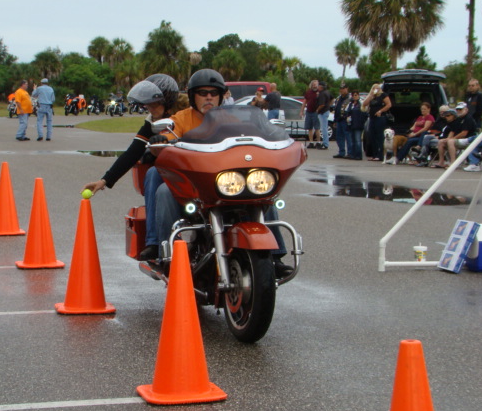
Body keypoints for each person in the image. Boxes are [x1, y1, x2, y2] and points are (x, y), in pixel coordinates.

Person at [152, 69, 292, 276]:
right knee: (164, 191)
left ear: (220, 96)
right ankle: (167, 254)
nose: (208, 97)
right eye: (202, 93)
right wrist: (162, 140)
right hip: (198, 187)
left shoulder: (232, 118)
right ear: (193, 96)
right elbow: (166, 135)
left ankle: (275, 257)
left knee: (264, 195)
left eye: (213, 93)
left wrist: (273, 136)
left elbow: (254, 134)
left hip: (228, 182)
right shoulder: (180, 119)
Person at [80, 74, 181, 261]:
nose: (149, 108)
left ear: (167, 101)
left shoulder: (186, 116)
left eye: (154, 104)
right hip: (171, 174)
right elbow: (132, 153)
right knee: (152, 173)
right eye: (147, 104)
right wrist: (105, 180)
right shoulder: (153, 122)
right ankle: (154, 243)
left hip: (194, 171)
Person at [434, 102, 477, 167]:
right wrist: (447, 138)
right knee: (441, 142)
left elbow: (464, 133)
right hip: (458, 139)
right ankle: (441, 162)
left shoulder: (468, 119)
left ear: (466, 109)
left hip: (468, 139)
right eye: (457, 109)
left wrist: (451, 139)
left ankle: (453, 163)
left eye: (461, 109)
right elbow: (453, 131)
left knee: (450, 142)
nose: (459, 111)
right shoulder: (458, 119)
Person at [362, 83, 392, 161]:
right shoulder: (372, 96)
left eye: (377, 88)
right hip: (372, 118)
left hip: (380, 118)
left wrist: (381, 111)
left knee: (380, 136)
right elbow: (364, 104)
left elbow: (389, 104)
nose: (376, 90)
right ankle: (374, 154)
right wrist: (370, 95)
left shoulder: (383, 95)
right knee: (372, 136)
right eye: (374, 88)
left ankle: (381, 155)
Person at [332, 82, 351, 158]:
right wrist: (335, 120)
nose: (342, 90)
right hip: (339, 120)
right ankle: (341, 152)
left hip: (345, 120)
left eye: (344, 88)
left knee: (348, 137)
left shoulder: (350, 98)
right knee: (339, 137)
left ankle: (350, 153)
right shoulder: (338, 98)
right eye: (341, 89)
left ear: (347, 89)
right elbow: (336, 109)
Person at [345, 90, 366, 160]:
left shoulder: (361, 104)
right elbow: (346, 112)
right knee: (352, 141)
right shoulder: (350, 104)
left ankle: (358, 155)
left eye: (356, 95)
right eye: (353, 95)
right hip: (351, 124)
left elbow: (364, 114)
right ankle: (353, 155)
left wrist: (361, 122)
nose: (354, 96)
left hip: (358, 125)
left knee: (357, 141)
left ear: (358, 95)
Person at [300, 80, 320, 147]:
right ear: (311, 85)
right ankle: (311, 142)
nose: (314, 86)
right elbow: (304, 102)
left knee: (317, 128)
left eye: (316, 84)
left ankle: (318, 142)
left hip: (316, 112)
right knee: (310, 128)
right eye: (313, 84)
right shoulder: (308, 92)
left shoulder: (319, 93)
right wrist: (301, 111)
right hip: (309, 112)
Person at [315, 81, 332, 150]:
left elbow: (322, 104)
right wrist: (329, 105)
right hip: (326, 111)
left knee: (324, 128)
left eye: (318, 86)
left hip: (323, 112)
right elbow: (332, 98)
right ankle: (325, 143)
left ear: (321, 87)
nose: (318, 87)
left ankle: (325, 144)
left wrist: (317, 110)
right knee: (324, 128)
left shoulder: (322, 94)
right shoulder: (327, 92)